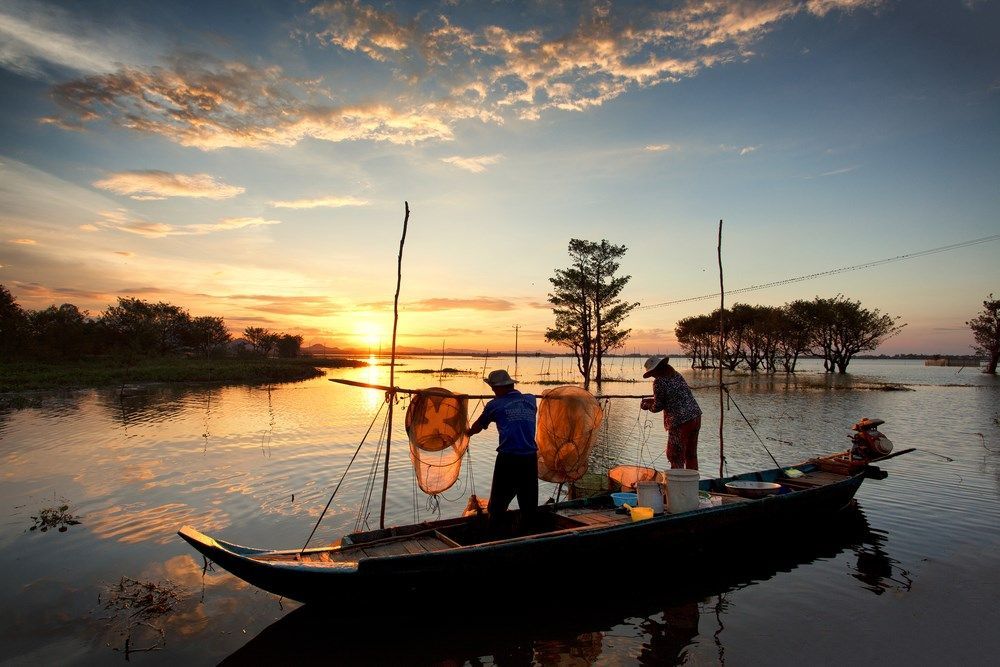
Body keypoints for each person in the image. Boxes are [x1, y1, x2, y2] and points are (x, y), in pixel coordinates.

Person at [466, 369, 538, 533]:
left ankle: (494, 537)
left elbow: (477, 426)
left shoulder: (494, 405)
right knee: (528, 504)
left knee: (497, 505)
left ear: (498, 388)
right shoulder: (531, 399)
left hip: (509, 459)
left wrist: (467, 433)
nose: (492, 391)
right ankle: (527, 533)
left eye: (493, 388)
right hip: (530, 458)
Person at [640, 356, 701, 470]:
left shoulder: (659, 382)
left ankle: (677, 484)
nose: (652, 376)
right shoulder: (676, 375)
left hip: (679, 421)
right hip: (695, 417)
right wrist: (652, 400)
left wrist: (648, 406)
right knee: (691, 454)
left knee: (675, 455)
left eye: (652, 373)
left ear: (656, 370)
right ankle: (692, 483)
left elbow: (658, 406)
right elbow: (673, 398)